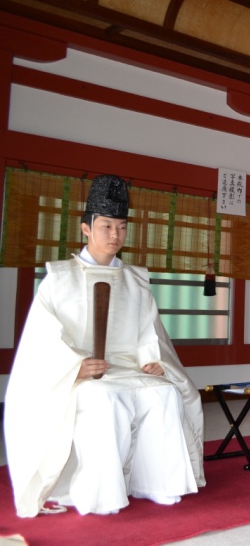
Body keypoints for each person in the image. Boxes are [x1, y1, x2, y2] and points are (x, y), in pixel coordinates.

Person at [4, 175, 205, 518]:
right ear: (86, 228)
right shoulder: (59, 278)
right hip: (82, 375)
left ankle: (156, 484)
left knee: (164, 393)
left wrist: (153, 360)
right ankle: (102, 493)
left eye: (122, 227)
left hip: (128, 368)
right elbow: (42, 340)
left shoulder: (136, 280)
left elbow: (149, 332)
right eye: (107, 226)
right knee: (103, 398)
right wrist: (75, 366)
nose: (115, 235)